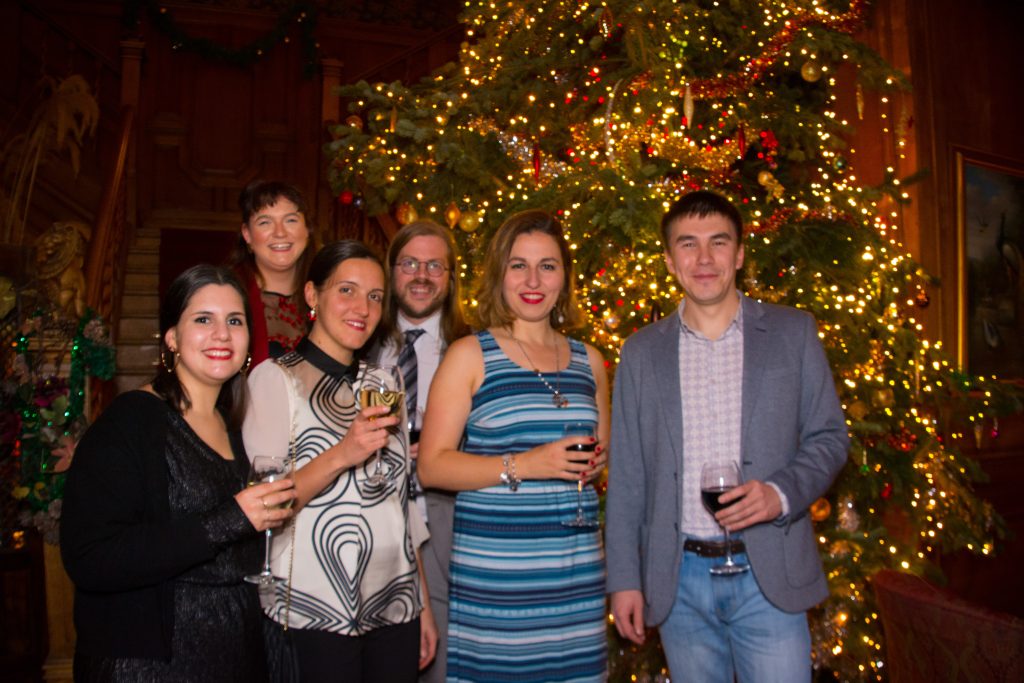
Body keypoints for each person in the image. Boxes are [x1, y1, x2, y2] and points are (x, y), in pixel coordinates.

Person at [605, 190, 849, 683]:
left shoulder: (793, 333)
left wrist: (779, 493)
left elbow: (829, 437)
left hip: (769, 572)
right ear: (670, 260)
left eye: (718, 242)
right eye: (688, 244)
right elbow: (628, 475)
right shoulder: (640, 353)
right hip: (679, 581)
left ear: (739, 255)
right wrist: (625, 579)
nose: (704, 258)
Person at [60, 264, 297, 681]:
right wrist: (229, 519)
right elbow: (91, 557)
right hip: (151, 666)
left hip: (232, 656)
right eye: (203, 319)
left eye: (235, 321)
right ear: (171, 338)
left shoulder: (236, 428)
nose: (222, 334)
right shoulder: (131, 422)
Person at [418, 209, 610, 682]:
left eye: (548, 266)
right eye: (518, 265)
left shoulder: (591, 361)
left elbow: (599, 460)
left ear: (564, 276)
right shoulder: (469, 355)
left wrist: (594, 464)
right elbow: (432, 467)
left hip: (576, 573)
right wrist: (526, 464)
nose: (533, 280)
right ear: (499, 274)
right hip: (498, 579)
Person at [243, 240, 438, 682]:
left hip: (395, 604)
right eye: (346, 290)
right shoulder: (275, 379)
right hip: (313, 607)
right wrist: (342, 454)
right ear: (312, 295)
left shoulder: (385, 382)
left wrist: (421, 602)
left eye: (375, 296)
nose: (363, 308)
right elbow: (265, 507)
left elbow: (401, 504)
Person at [370, 220, 470, 683]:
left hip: (445, 530)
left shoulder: (473, 348)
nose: (422, 276)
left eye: (435, 266)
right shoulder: (359, 343)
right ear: (391, 271)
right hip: (373, 530)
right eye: (409, 264)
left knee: (442, 666)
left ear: (451, 277)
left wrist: (447, 444)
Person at [228, 179, 314, 367]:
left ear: (307, 230)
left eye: (291, 220)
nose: (280, 233)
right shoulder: (226, 294)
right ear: (247, 234)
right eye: (265, 222)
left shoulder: (328, 293)